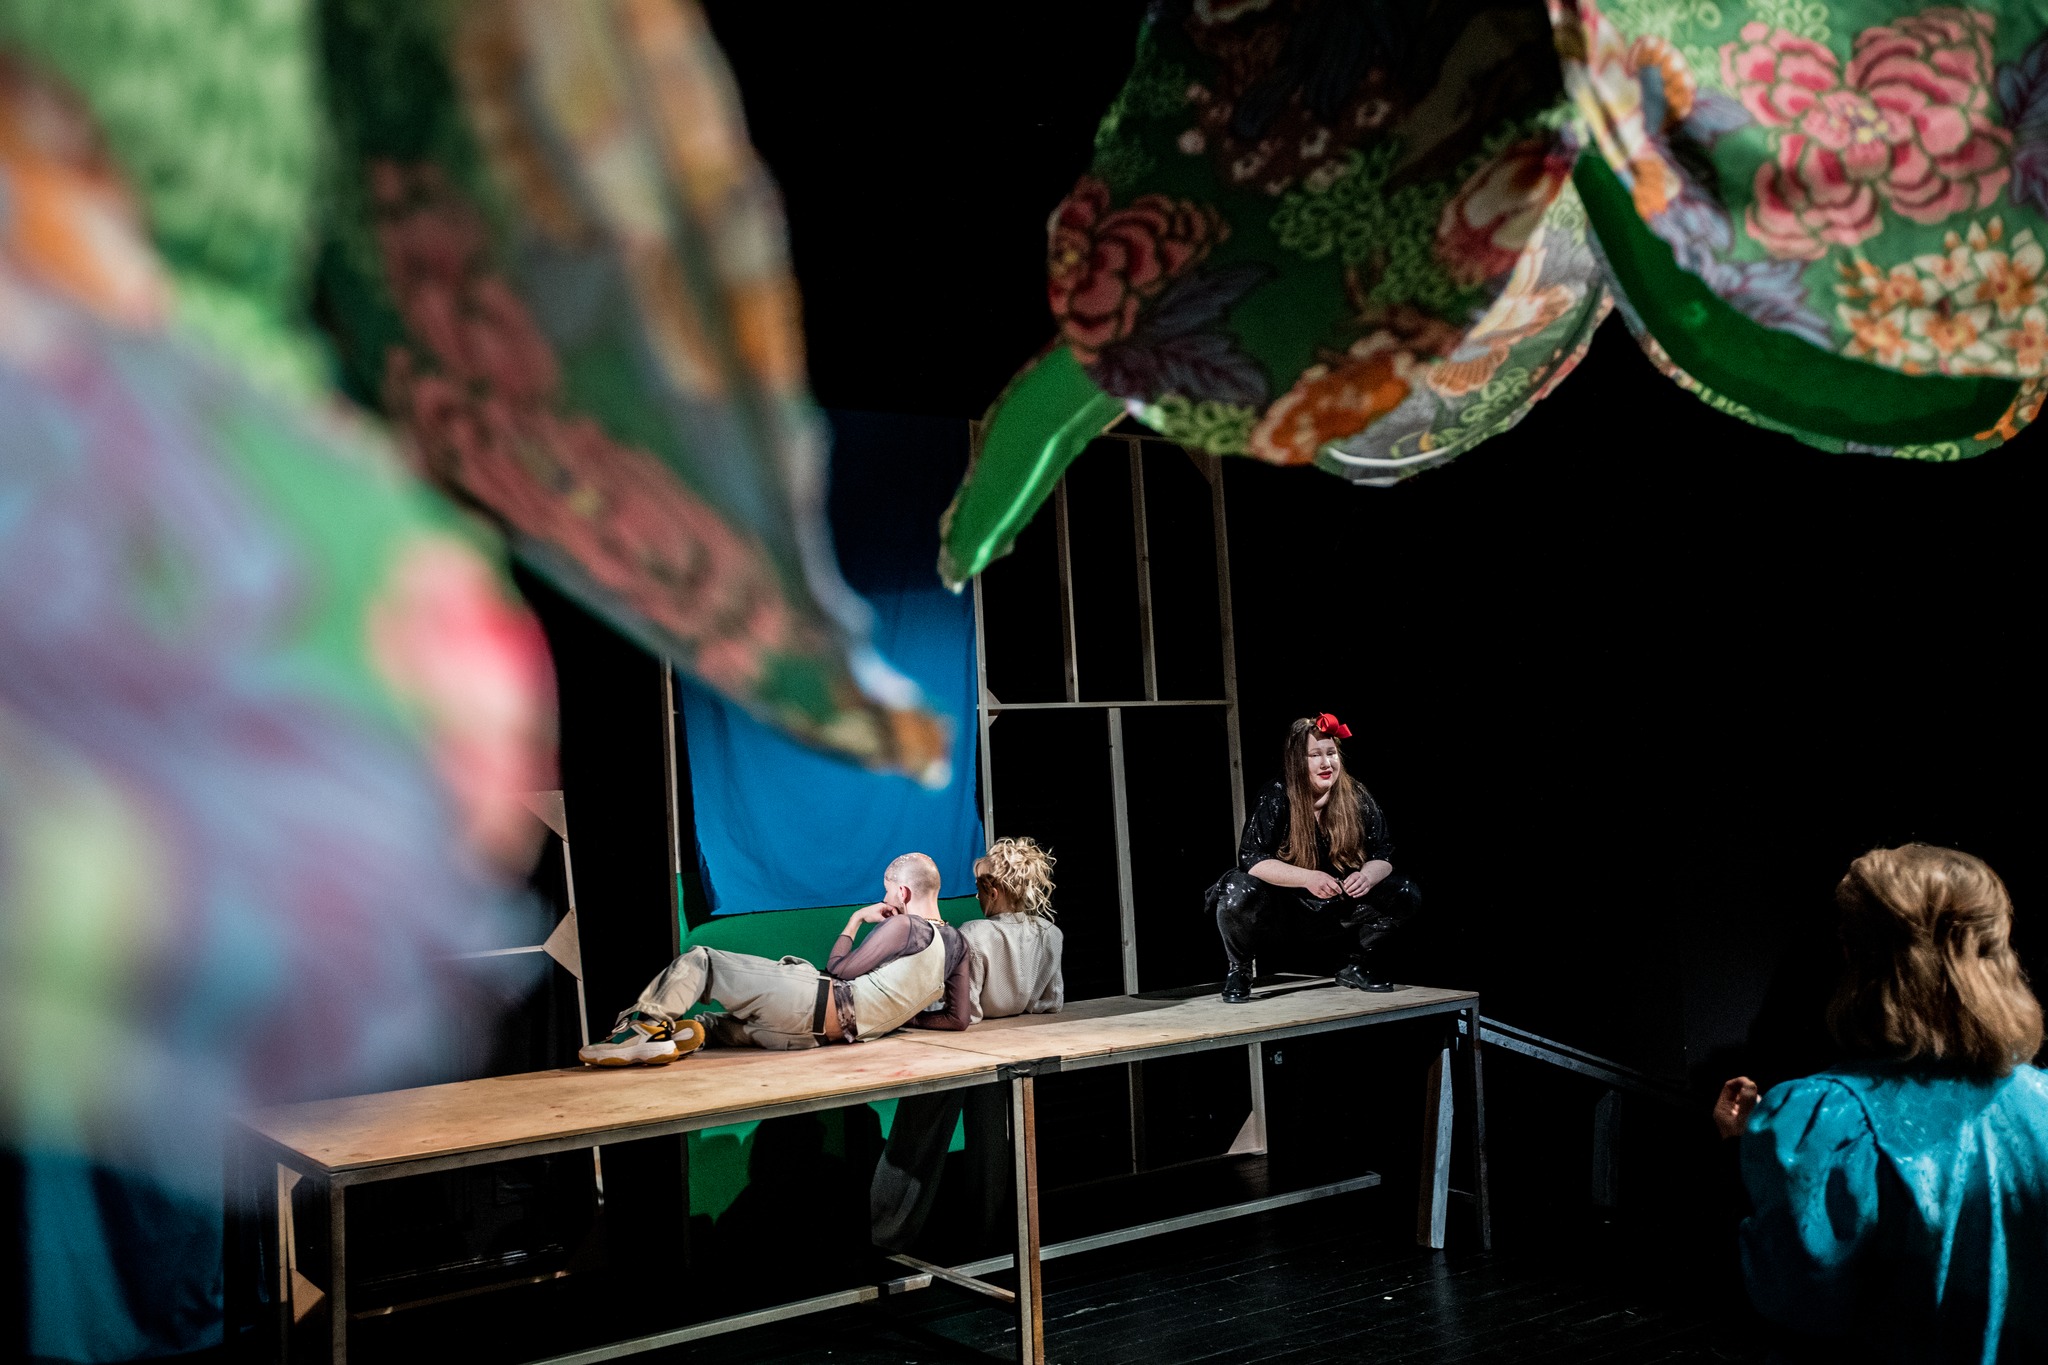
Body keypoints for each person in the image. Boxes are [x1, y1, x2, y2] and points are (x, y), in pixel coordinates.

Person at [1712, 844, 2048, 1363]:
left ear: (1860, 958)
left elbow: (1792, 1305)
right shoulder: (2042, 1100)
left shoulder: (1828, 1118)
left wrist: (1739, 1151)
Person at [578, 852, 971, 1064]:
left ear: (903, 893)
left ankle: (647, 1028)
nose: (885, 900)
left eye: (887, 892)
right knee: (710, 1027)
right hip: (809, 1038)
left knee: (702, 961)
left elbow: (840, 969)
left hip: (812, 1002)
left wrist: (855, 920)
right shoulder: (958, 945)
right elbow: (958, 1019)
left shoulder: (906, 926)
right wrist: (903, 1017)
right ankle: (675, 1038)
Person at [871, 838, 1066, 1251]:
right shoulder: (1051, 934)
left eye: (979, 888)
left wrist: (910, 1015)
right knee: (993, 1140)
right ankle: (988, 1233)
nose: (976, 897)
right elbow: (1048, 1003)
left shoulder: (974, 933)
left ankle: (885, 1235)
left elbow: (966, 1011)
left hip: (956, 1049)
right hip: (1009, 1048)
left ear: (992, 889)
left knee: (917, 1138)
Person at [1204, 713, 1421, 1003]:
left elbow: (1384, 850)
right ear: (1297, 760)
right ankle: (1240, 970)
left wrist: (1367, 876)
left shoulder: (1355, 794)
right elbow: (1251, 858)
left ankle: (1353, 964)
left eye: (1331, 753)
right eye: (1315, 755)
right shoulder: (1277, 795)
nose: (1326, 763)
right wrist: (1308, 878)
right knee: (1237, 888)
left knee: (1404, 891)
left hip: (1334, 907)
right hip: (1283, 911)